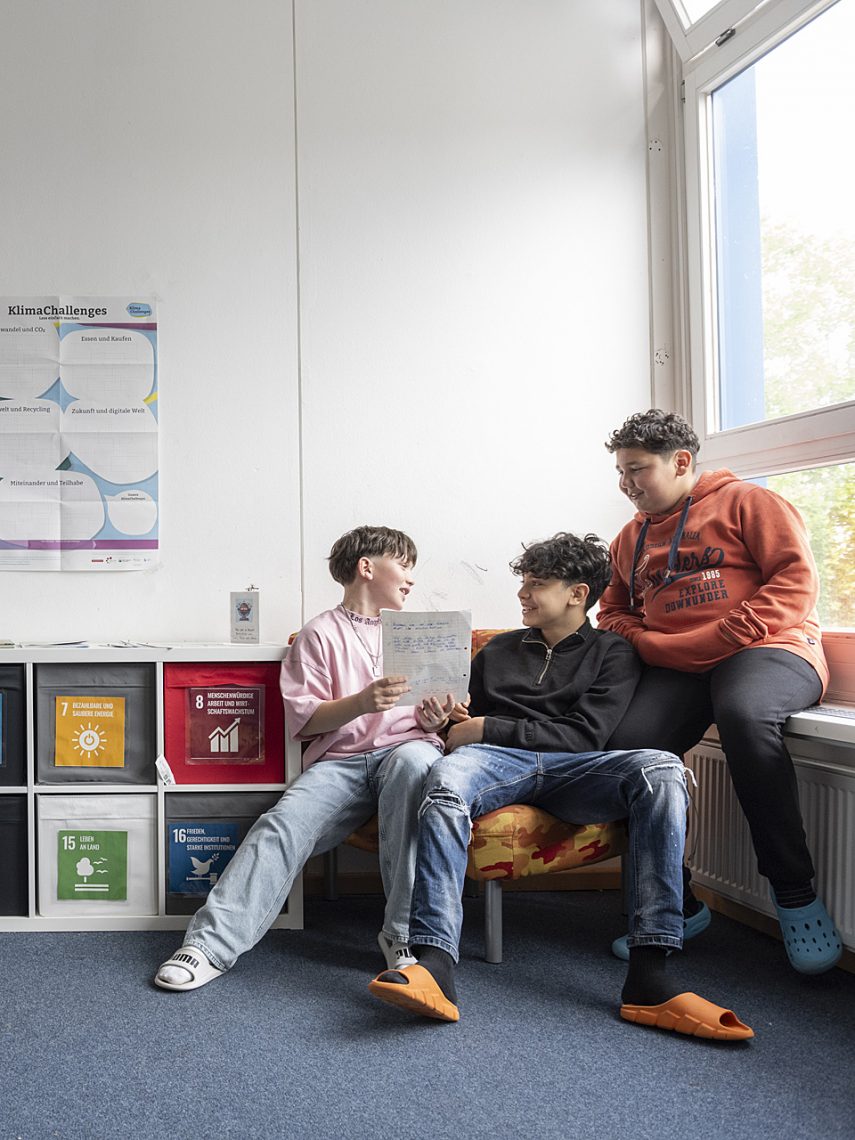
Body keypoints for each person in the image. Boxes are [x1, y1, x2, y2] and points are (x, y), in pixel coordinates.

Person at [368, 532, 753, 1041]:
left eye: (537, 584)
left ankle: (650, 975)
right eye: (523, 583)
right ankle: (434, 963)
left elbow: (585, 735)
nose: (522, 593)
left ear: (577, 593)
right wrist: (447, 718)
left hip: (577, 767)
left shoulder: (613, 652)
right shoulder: (497, 650)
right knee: (445, 780)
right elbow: (463, 719)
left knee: (661, 769)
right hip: (495, 763)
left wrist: (487, 727)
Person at [155, 525, 453, 991]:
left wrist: (436, 719)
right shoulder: (318, 634)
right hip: (341, 761)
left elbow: (430, 713)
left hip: (407, 749)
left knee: (416, 766)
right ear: (367, 567)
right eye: (404, 565)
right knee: (280, 825)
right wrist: (362, 702)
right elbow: (307, 721)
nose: (411, 578)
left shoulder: (416, 634)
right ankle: (208, 945)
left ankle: (401, 937)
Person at [599, 409, 841, 975]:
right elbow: (612, 611)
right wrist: (650, 642)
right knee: (626, 747)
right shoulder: (630, 538)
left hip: (768, 647)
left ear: (681, 461)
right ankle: (675, 906)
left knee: (744, 714)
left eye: (637, 469)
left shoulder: (749, 503)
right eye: (620, 472)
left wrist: (723, 635)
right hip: (679, 665)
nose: (626, 483)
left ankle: (795, 893)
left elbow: (795, 581)